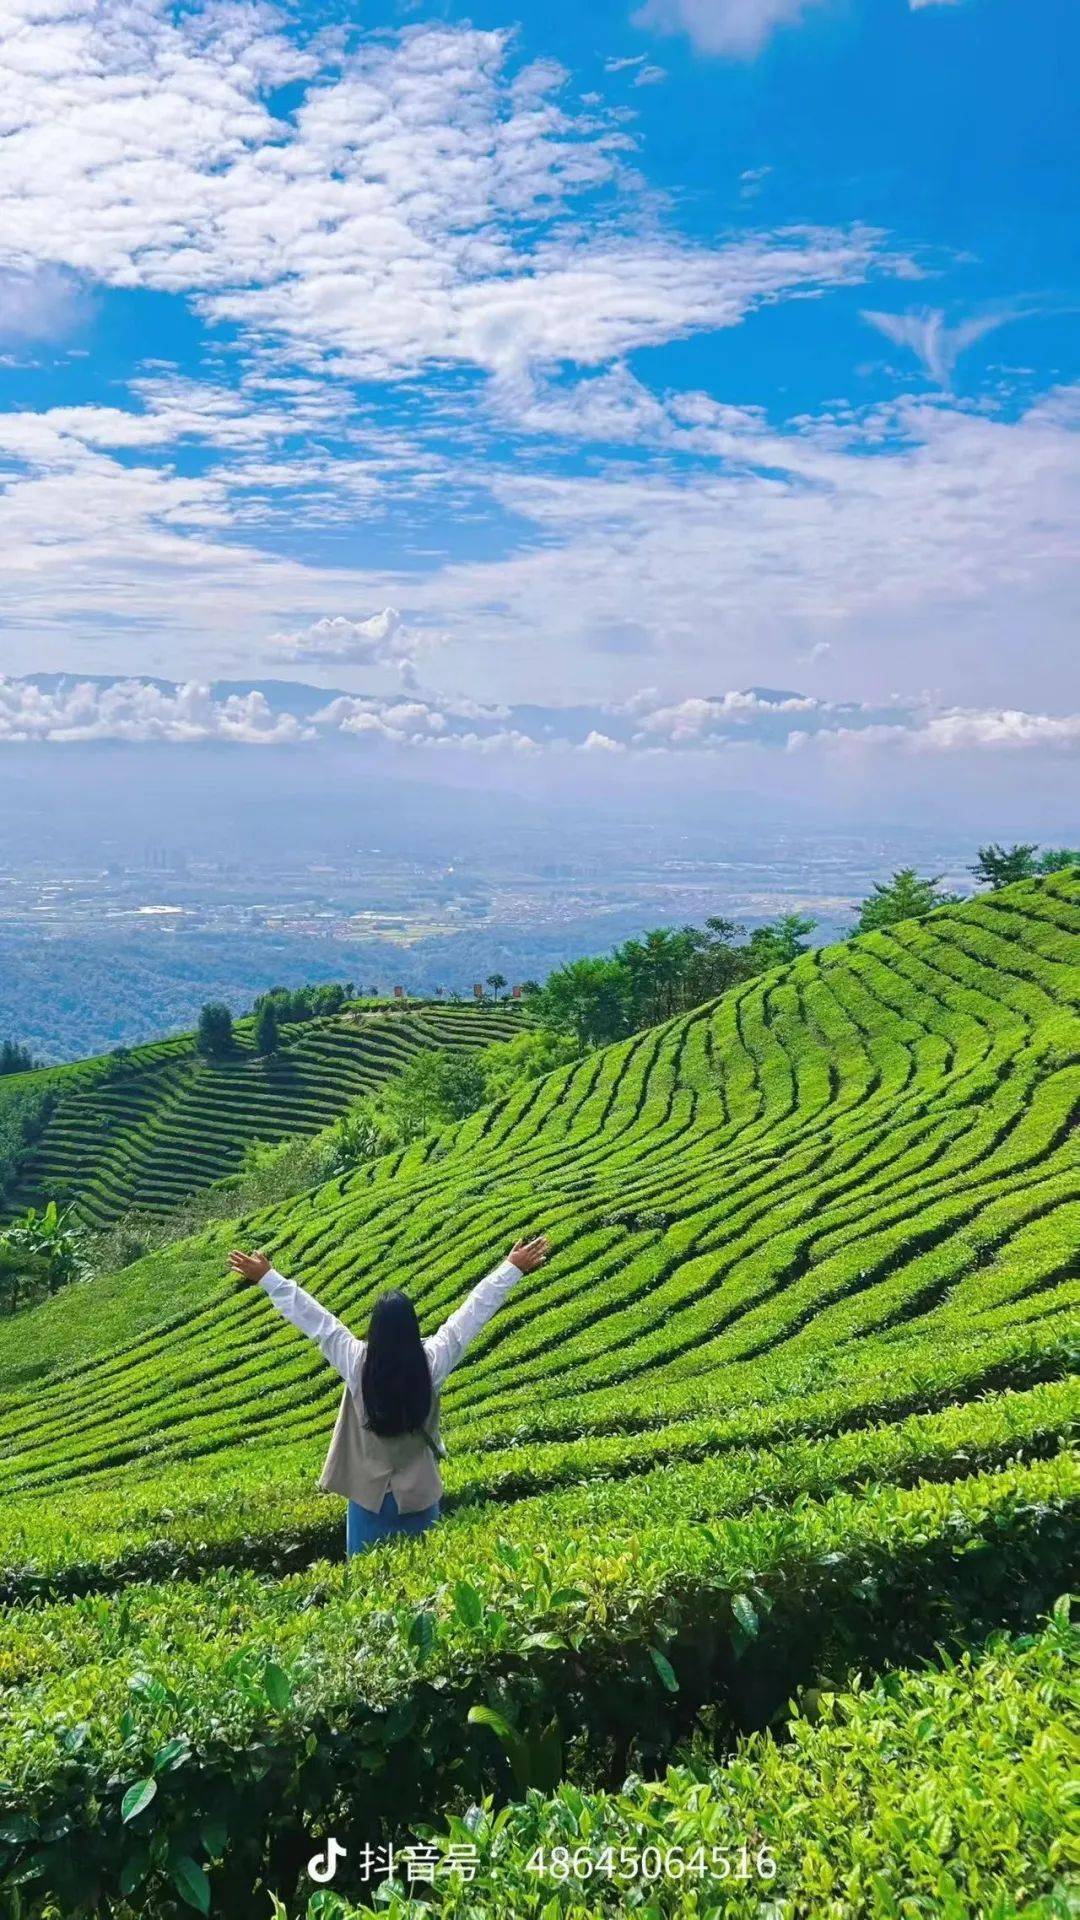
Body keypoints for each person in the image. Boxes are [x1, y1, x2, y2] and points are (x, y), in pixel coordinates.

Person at [228, 1235, 549, 1554]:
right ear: (412, 1328)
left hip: (369, 1500)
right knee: (423, 1586)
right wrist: (511, 1268)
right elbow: (470, 1316)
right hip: (419, 1498)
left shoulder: (357, 1362)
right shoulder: (432, 1362)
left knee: (369, 1592)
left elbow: (318, 1322)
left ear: (374, 1329)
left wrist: (268, 1278)